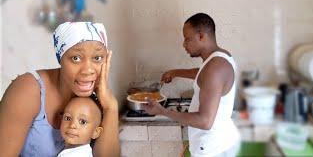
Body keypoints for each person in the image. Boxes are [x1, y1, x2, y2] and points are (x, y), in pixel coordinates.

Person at [0, 22, 120, 156]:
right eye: (76, 58)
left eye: (97, 58)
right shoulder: (28, 90)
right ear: (60, 58)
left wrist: (111, 107)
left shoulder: (96, 100)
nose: (88, 70)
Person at [143, 13, 240, 157]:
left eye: (187, 39)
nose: (184, 44)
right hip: (216, 142)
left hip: (212, 148)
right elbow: (203, 75)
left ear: (201, 36)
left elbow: (205, 121)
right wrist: (175, 72)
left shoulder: (215, 68)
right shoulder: (220, 57)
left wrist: (162, 111)